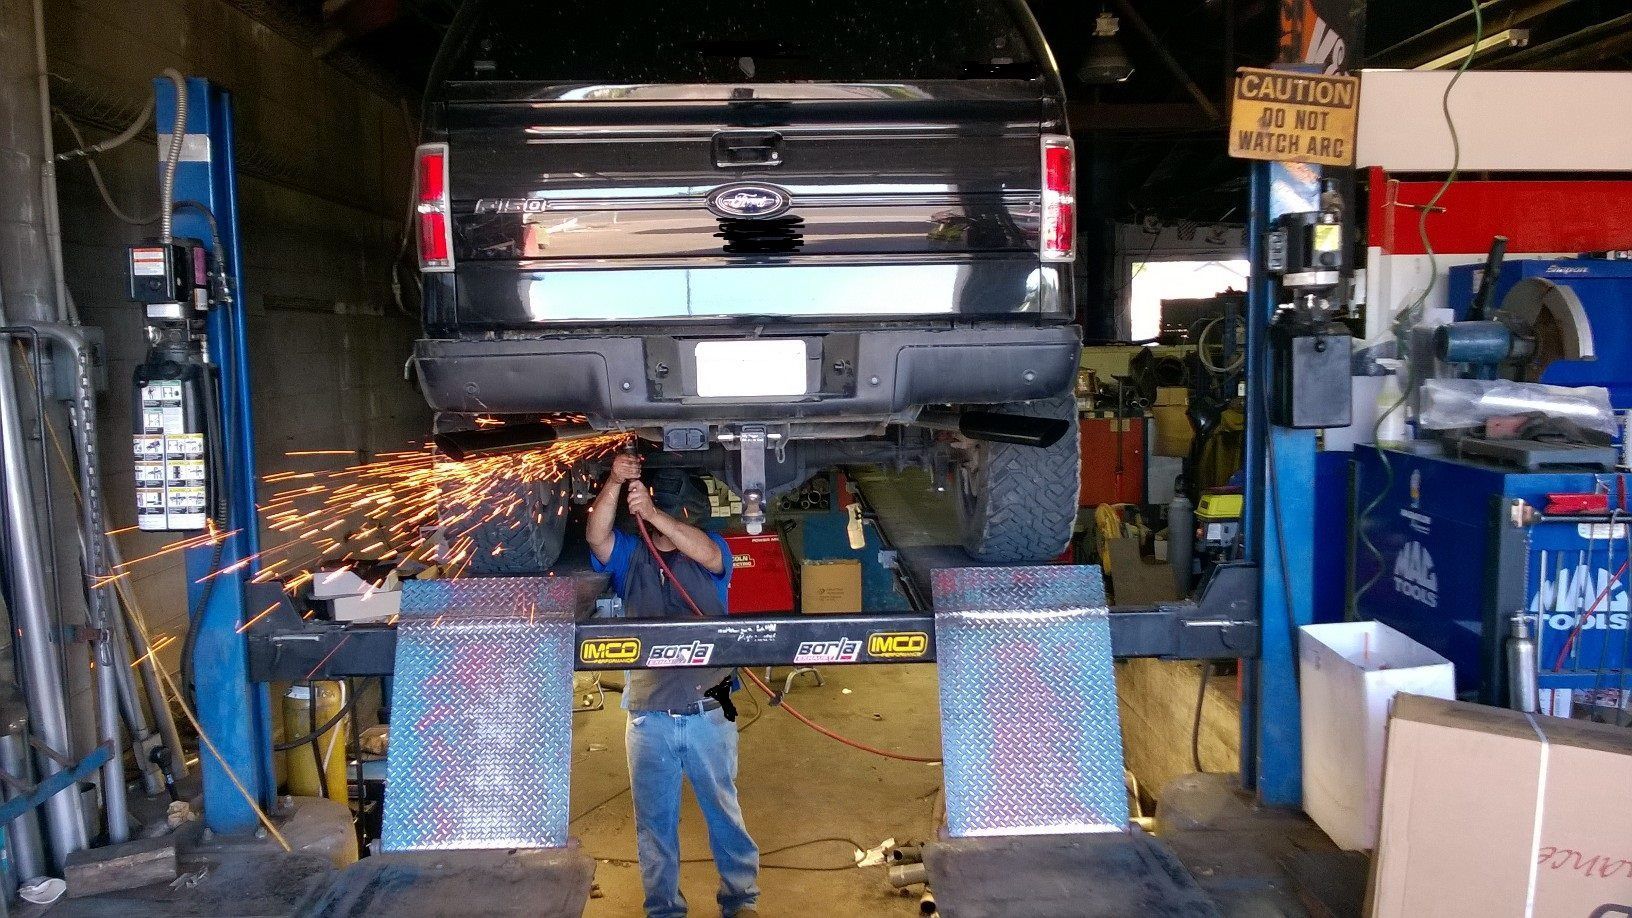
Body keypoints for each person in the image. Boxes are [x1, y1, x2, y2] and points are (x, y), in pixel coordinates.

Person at [587, 453, 760, 918]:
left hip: (708, 713)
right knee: (654, 827)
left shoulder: (712, 551)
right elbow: (595, 536)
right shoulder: (630, 554)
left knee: (724, 815)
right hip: (649, 717)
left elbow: (703, 551)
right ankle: (663, 909)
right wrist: (614, 481)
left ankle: (740, 901)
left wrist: (653, 512)